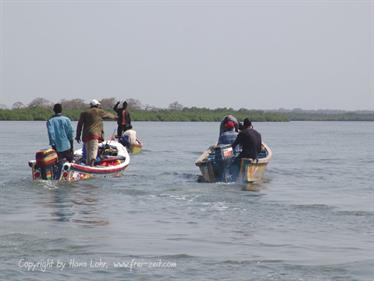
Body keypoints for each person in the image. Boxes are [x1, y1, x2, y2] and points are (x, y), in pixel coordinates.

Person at [75, 99, 116, 166]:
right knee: (94, 150)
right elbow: (109, 115)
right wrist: (116, 117)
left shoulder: (84, 112)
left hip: (85, 135)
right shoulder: (99, 111)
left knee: (88, 151)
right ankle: (92, 164)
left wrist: (77, 136)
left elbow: (79, 125)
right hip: (94, 135)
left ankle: (88, 166)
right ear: (97, 105)